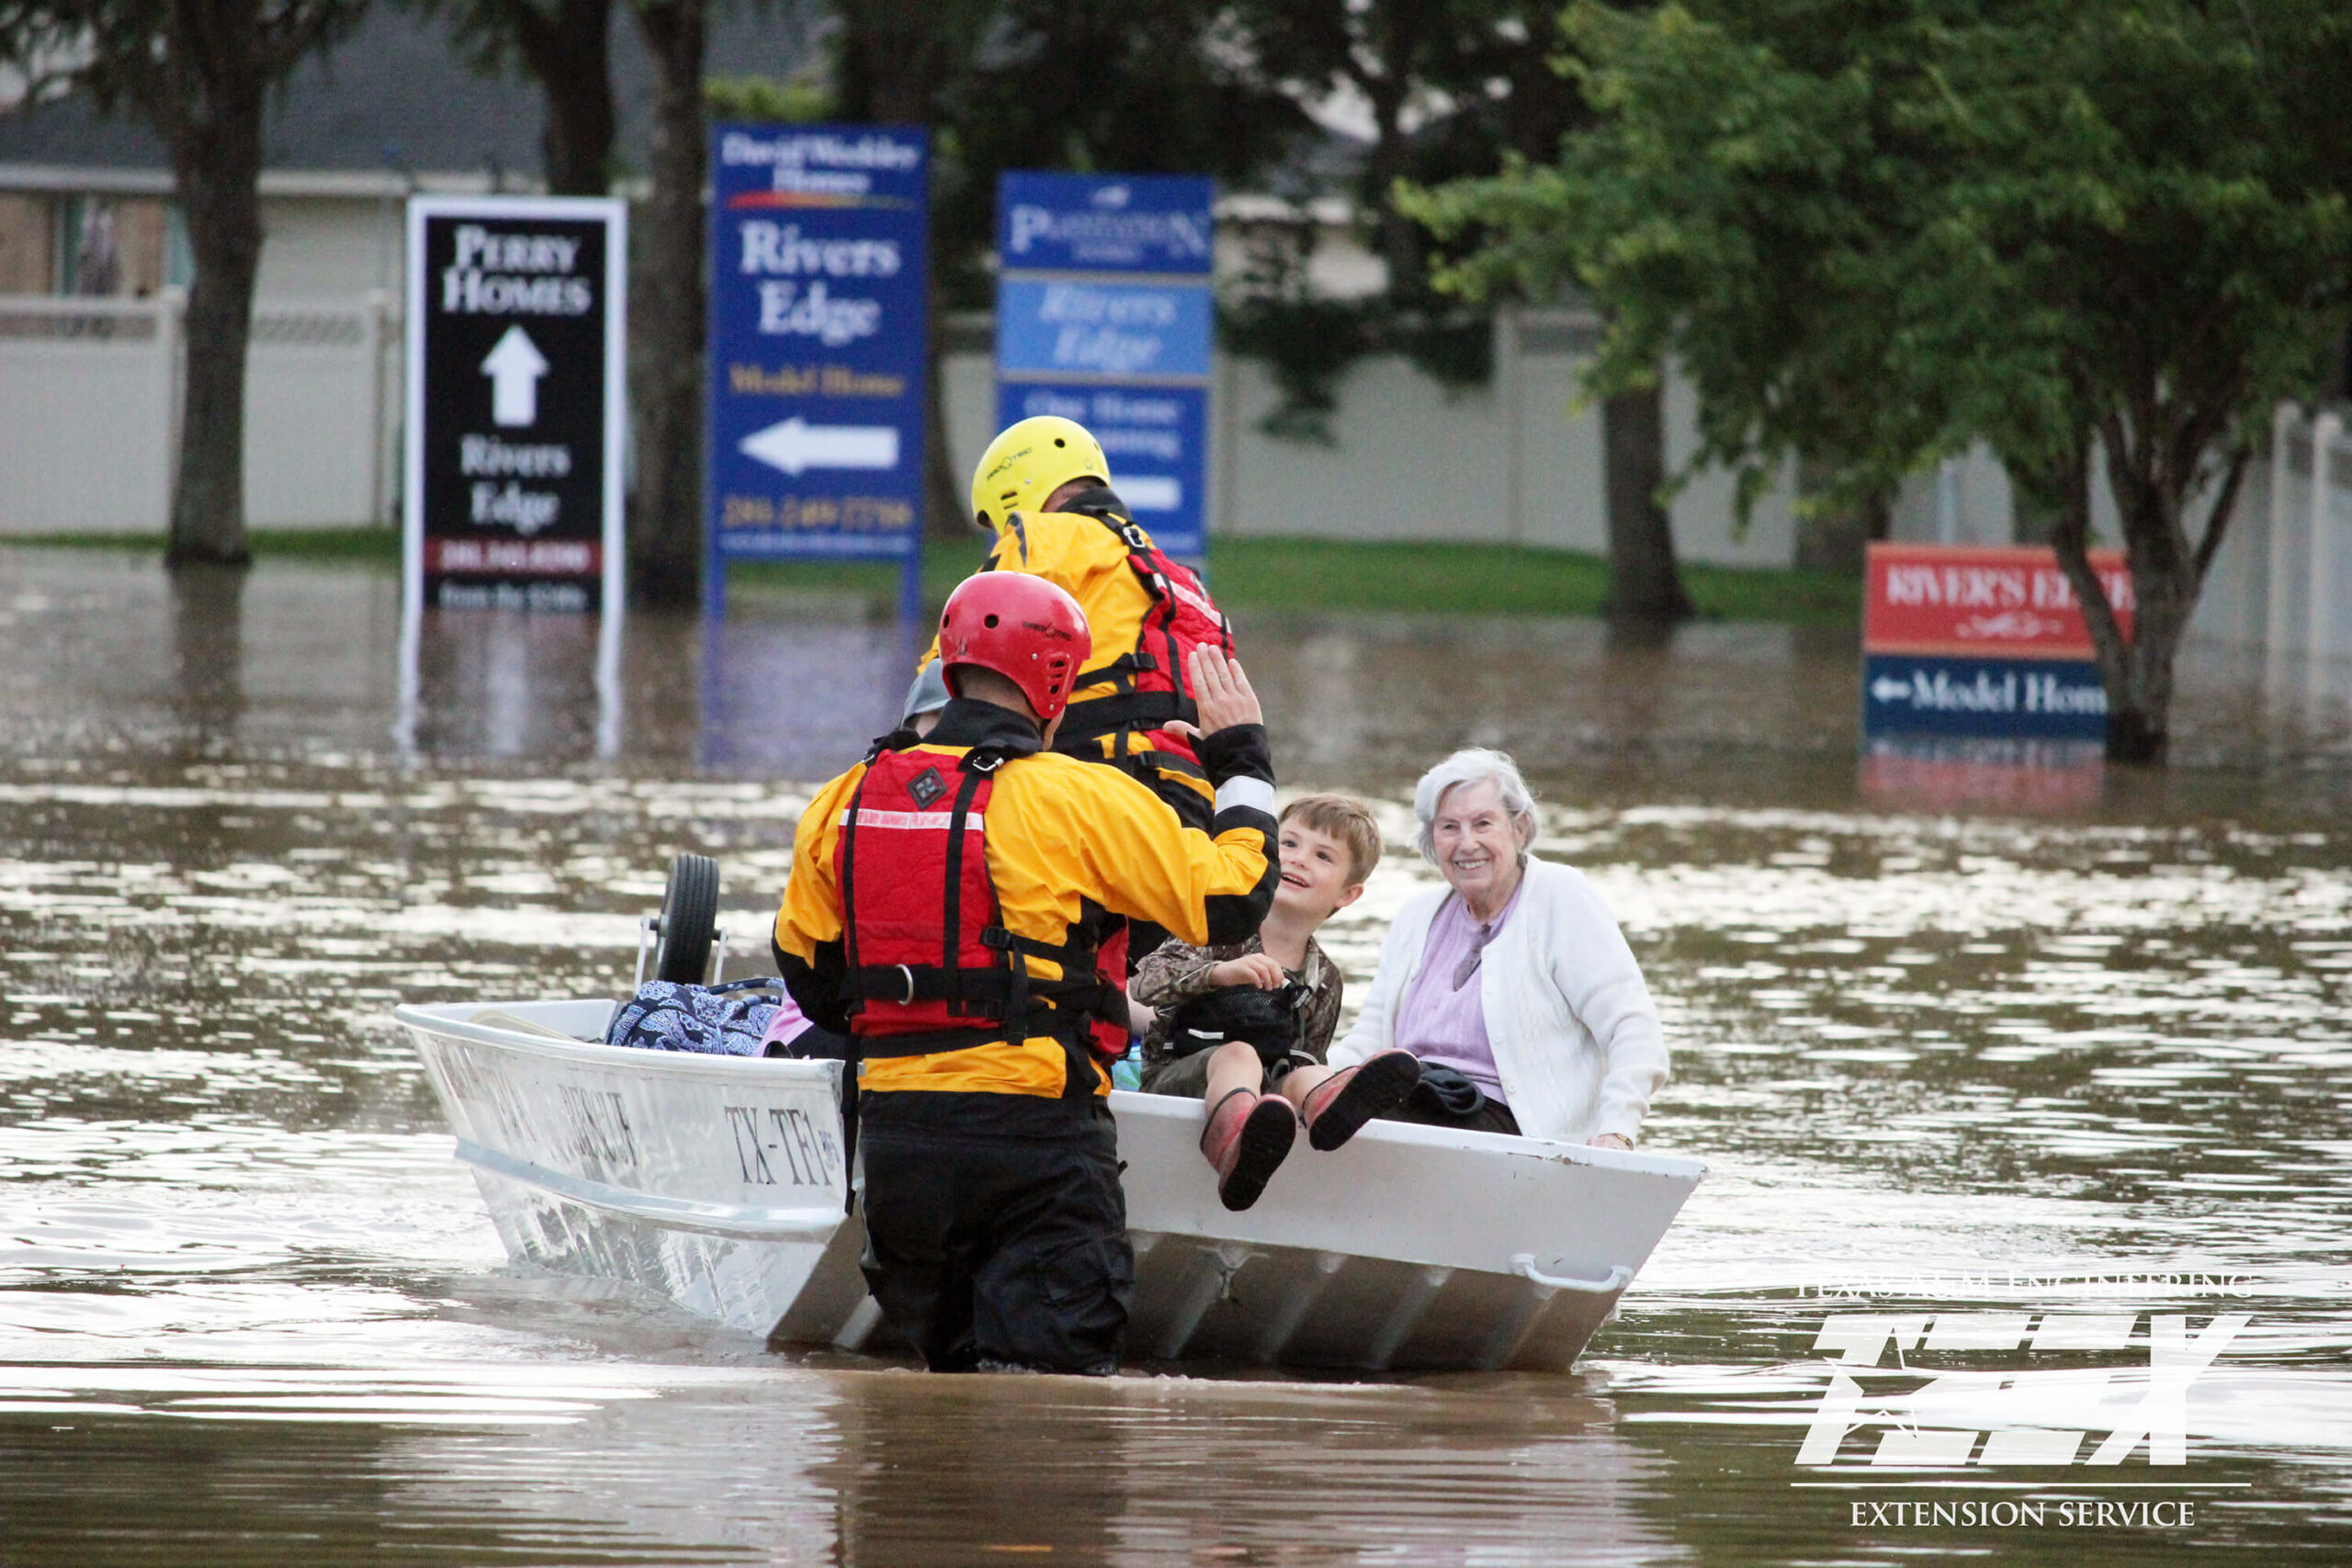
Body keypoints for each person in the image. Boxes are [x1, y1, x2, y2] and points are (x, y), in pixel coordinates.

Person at [773, 573, 1279, 1375]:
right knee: (1049, 1416)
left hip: (899, 1153)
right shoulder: (1078, 796)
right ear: (1057, 680)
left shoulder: (845, 799)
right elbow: (1232, 898)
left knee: (940, 1414)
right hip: (1037, 1146)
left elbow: (812, 978)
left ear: (950, 667)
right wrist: (1243, 757)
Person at [925, 415, 1242, 976]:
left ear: (1017, 495)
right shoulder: (1184, 582)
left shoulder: (1045, 537)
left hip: (1094, 797)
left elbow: (957, 653)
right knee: (1144, 982)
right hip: (1189, 816)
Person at [1328, 749, 1668, 1148]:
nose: (1467, 843)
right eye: (1449, 827)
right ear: (1431, 839)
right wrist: (1308, 1084)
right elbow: (1371, 1037)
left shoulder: (1560, 896)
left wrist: (1617, 1129)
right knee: (1326, 1102)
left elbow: (1632, 1027)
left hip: (1509, 1124)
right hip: (1408, 1095)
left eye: (1483, 823)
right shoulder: (1417, 914)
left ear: (1519, 829)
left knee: (1375, 1119)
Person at [1130, 794, 1421, 1210]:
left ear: (1348, 895)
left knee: (1308, 1072)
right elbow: (1142, 983)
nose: (1299, 859)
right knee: (1239, 1054)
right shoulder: (1216, 929)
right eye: (1289, 844)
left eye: (1323, 856)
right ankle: (1229, 1145)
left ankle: (1329, 1111)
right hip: (1178, 1077)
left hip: (1271, 1106)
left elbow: (1307, 1052)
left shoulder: (1327, 980)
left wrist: (1302, 1084)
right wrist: (1217, 973)